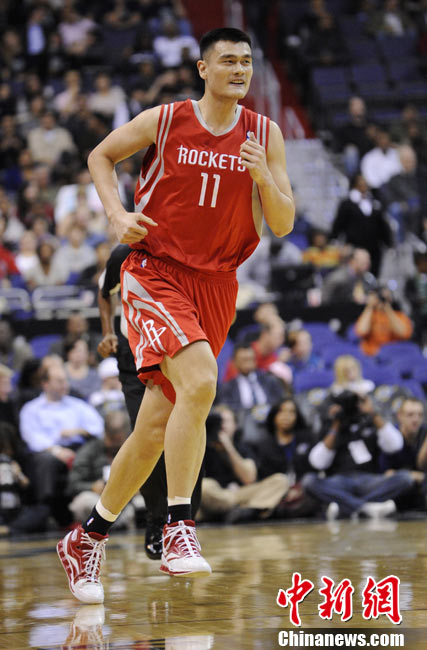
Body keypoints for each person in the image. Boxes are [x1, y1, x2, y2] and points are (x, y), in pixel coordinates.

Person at [57, 26, 294, 604]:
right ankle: (179, 525)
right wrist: (116, 215)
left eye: (246, 62)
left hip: (217, 284)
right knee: (203, 381)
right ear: (203, 68)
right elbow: (100, 155)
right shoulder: (166, 120)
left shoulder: (264, 134)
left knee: (154, 429)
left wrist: (263, 176)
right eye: (228, 61)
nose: (239, 70)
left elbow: (283, 222)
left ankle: (87, 538)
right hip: (155, 271)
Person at [97, 242, 203, 560]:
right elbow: (105, 293)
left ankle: (184, 520)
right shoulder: (123, 253)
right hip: (135, 357)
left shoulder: (188, 249)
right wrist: (107, 331)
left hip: (179, 351)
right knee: (149, 438)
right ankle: (157, 519)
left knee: (193, 432)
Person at [354, 287, 413, 356]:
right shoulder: (370, 315)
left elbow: (404, 333)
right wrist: (370, 306)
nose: (381, 299)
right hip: (372, 355)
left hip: (392, 355)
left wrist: (387, 308)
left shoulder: (399, 315)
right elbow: (361, 331)